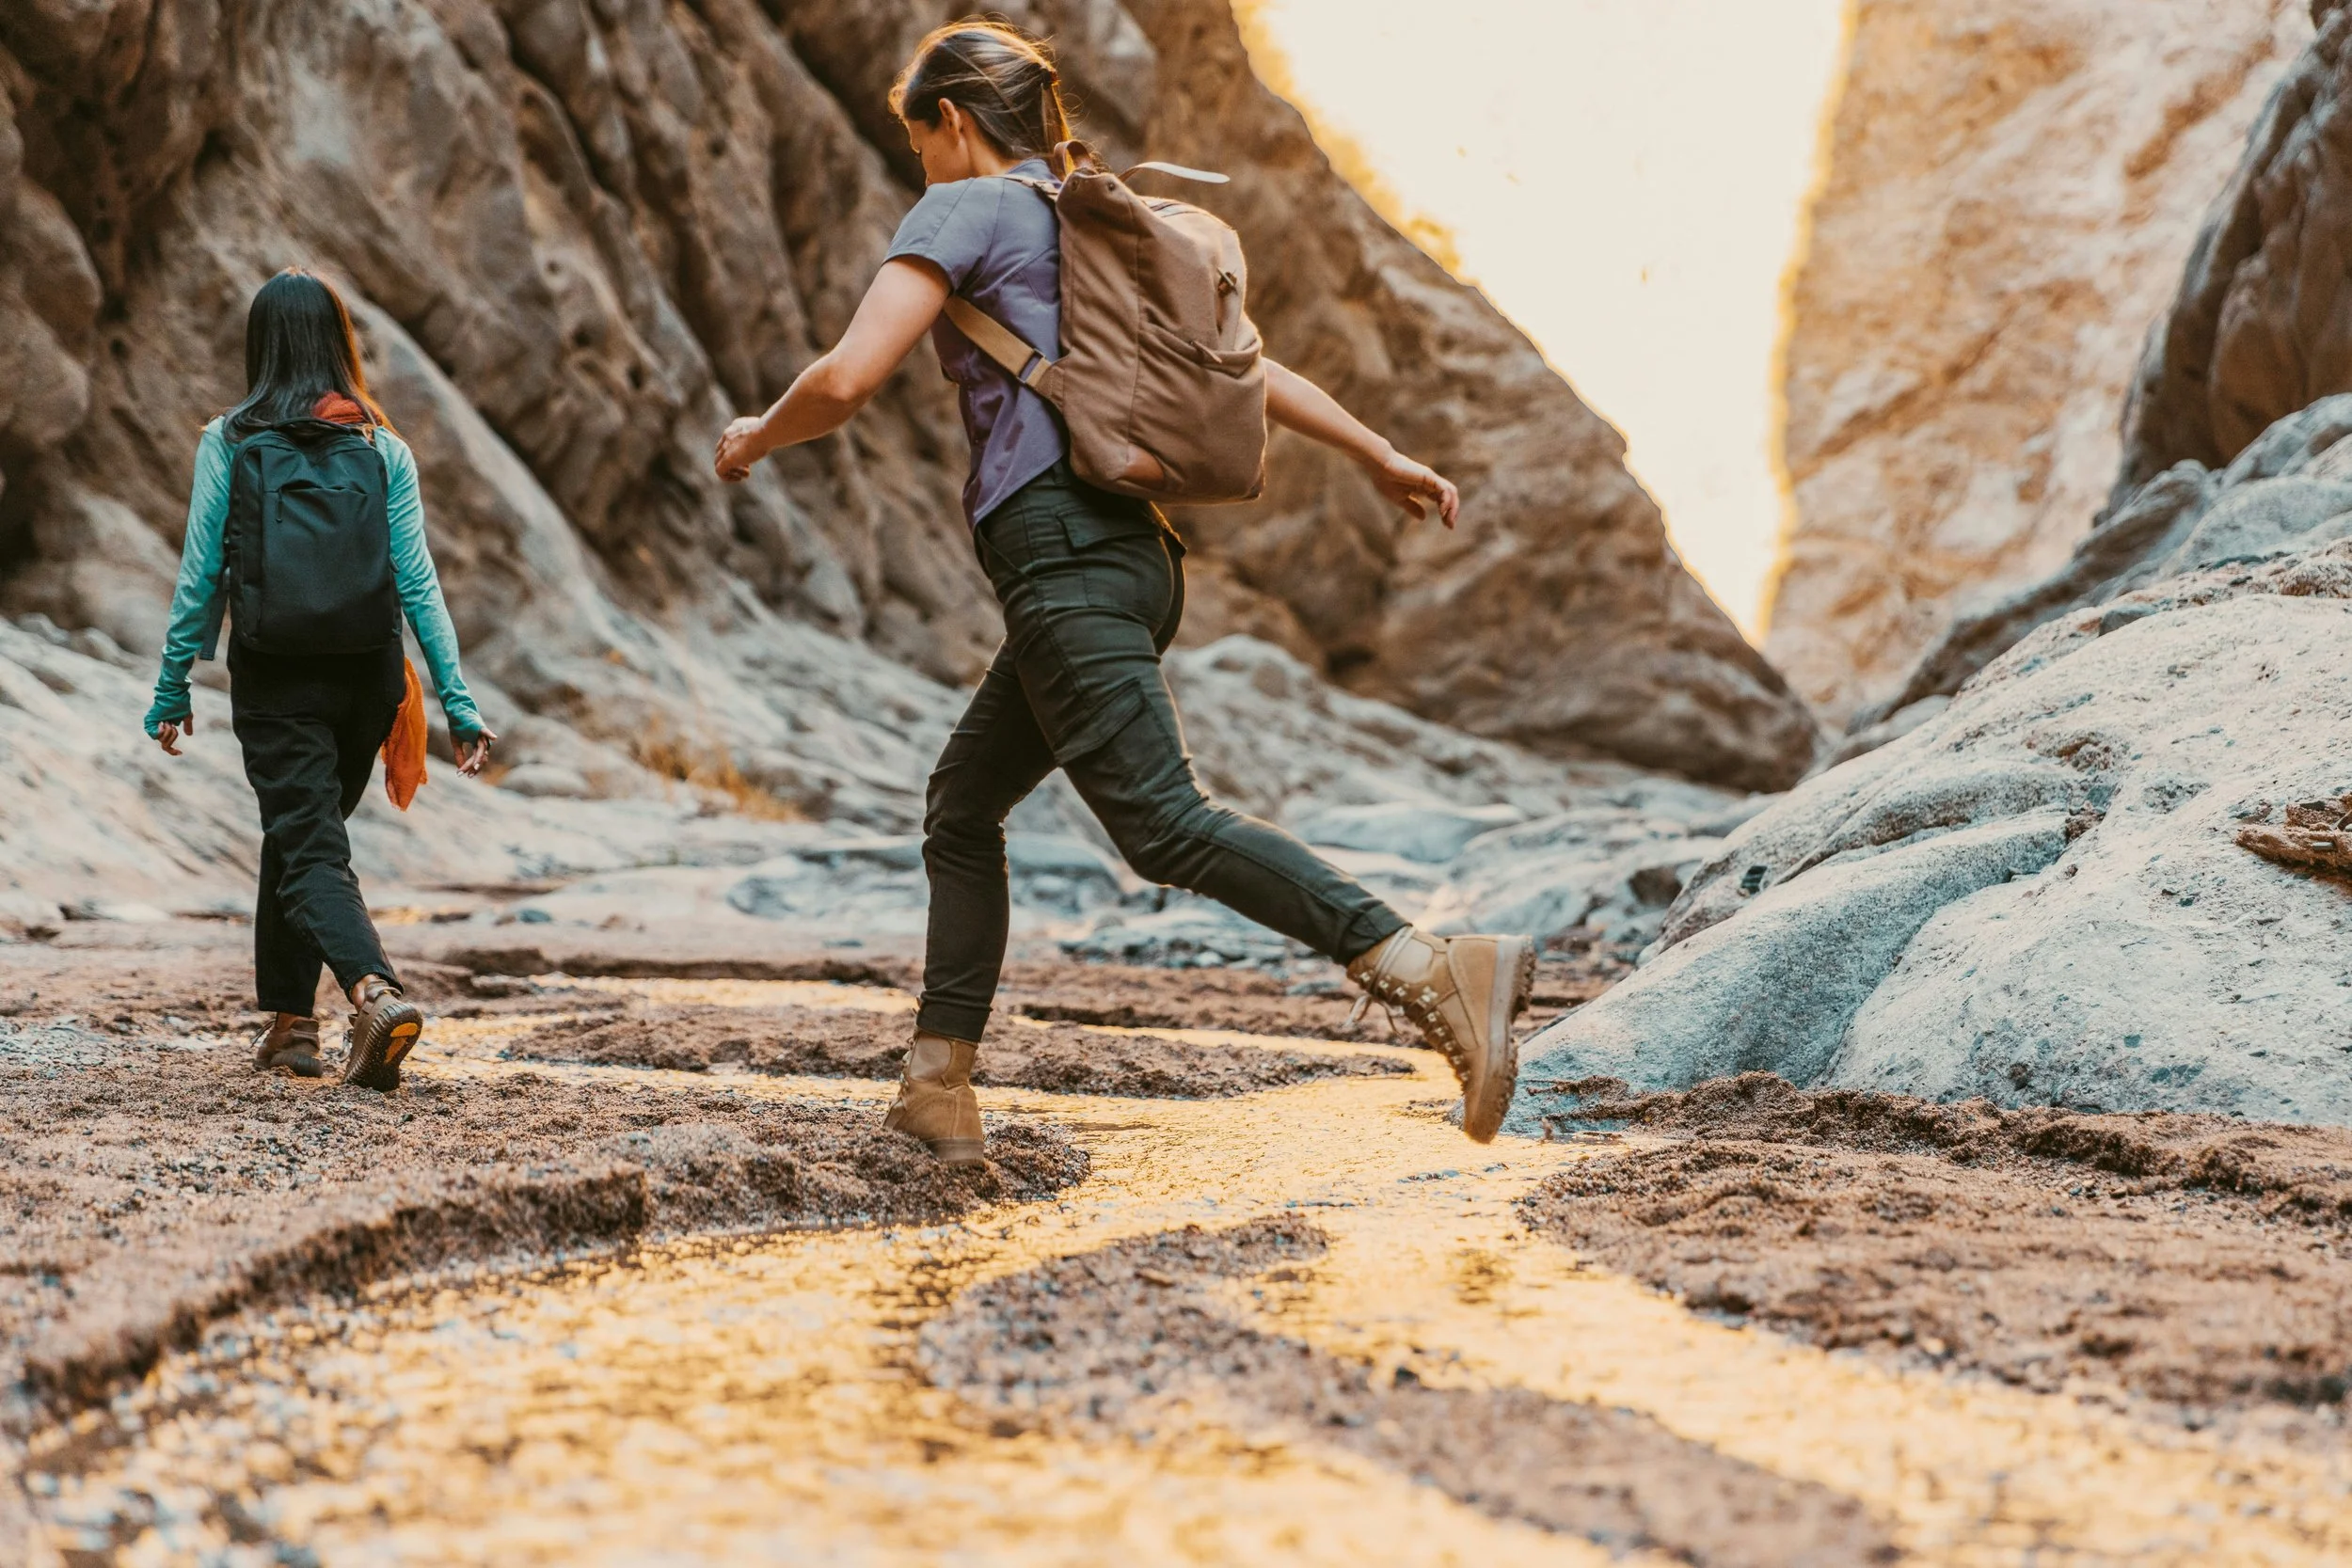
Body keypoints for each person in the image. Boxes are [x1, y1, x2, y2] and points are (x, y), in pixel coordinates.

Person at [715, 22, 1534, 1164]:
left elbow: (848, 376)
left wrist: (757, 435)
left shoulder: (965, 210)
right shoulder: (1100, 221)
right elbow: (1246, 368)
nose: (921, 171)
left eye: (920, 146)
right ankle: (936, 1086)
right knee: (961, 807)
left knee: (1160, 825)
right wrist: (1375, 450)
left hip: (1062, 555)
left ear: (951, 122)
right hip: (1136, 558)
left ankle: (1425, 964)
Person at [145, 268, 496, 1089]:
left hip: (275, 674)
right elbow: (418, 585)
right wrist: (458, 701)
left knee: (306, 842)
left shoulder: (230, 440)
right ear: (342, 346)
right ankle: (292, 1028)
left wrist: (172, 684)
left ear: (260, 346)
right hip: (367, 679)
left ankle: (373, 994)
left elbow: (200, 577)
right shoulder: (383, 447)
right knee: (301, 834)